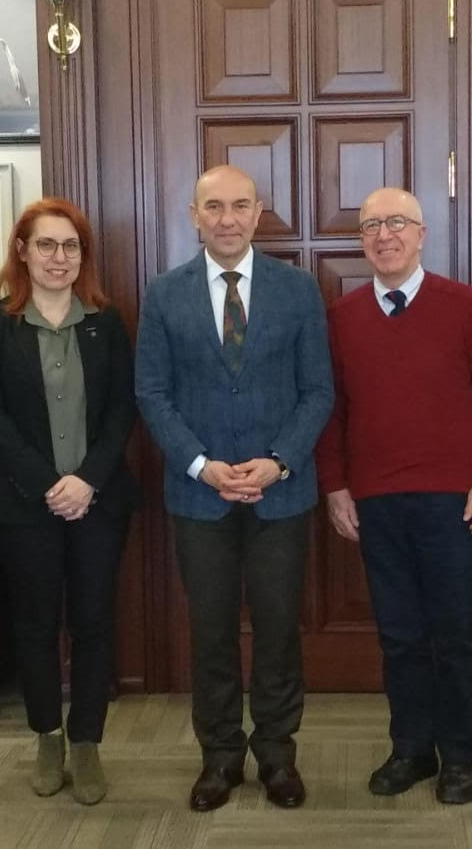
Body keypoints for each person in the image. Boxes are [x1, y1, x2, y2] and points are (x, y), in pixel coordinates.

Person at [134, 164, 333, 812]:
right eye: (213, 207)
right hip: (200, 496)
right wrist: (201, 464)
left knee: (278, 629)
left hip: (280, 494)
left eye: (239, 205)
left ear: (257, 212)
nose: (227, 218)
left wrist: (278, 461)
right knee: (211, 631)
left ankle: (276, 754)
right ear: (194, 215)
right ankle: (219, 755)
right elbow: (152, 393)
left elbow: (317, 391)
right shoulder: (164, 293)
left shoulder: (298, 290)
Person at [316, 187, 472, 804]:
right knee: (399, 637)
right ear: (362, 241)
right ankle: (411, 749)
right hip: (376, 502)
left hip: (455, 502)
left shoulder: (467, 307)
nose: (385, 235)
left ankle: (461, 757)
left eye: (397, 223)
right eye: (372, 226)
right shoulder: (342, 317)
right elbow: (331, 411)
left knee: (456, 636)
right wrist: (335, 486)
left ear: (422, 234)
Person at [0, 198, 137, 805]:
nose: (59, 257)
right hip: (23, 505)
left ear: (82, 256)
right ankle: (47, 734)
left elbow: (122, 409)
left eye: (70, 246)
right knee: (35, 626)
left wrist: (87, 480)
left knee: (93, 623)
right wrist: (47, 483)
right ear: (23, 251)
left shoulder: (105, 323)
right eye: (46, 244)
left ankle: (86, 741)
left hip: (99, 501)